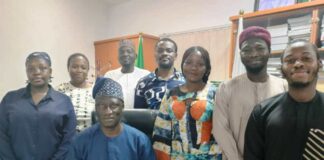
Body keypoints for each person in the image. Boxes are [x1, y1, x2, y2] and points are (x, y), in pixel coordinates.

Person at [212, 26, 288, 160]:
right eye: (246, 50)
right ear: (240, 54)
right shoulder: (226, 88)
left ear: (269, 51)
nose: (253, 54)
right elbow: (220, 130)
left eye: (259, 48)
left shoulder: (284, 86)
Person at [244, 39, 324, 160]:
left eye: (306, 58)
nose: (298, 64)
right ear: (282, 69)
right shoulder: (262, 112)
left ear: (319, 63)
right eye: (290, 60)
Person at [0, 52, 76, 160]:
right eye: (31, 69)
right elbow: (2, 136)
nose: (36, 72)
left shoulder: (64, 101)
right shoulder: (10, 99)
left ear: (50, 71)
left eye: (42, 68)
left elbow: (68, 140)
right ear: (26, 72)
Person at [153, 46, 222, 159]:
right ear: (182, 65)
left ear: (207, 68)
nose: (193, 68)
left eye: (200, 64)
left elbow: (221, 133)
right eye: (188, 62)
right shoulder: (171, 94)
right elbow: (161, 130)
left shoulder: (216, 93)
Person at [67, 77, 156, 160]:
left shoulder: (140, 141)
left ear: (122, 107)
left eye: (113, 105)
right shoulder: (80, 141)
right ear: (96, 108)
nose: (108, 111)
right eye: (102, 106)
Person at [134, 38, 185, 110]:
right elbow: (138, 116)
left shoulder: (186, 81)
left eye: (169, 51)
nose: (164, 53)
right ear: (155, 55)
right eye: (160, 51)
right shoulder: (143, 83)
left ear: (175, 55)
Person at [104, 39, 150, 109]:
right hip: (116, 117)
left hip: (140, 118)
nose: (125, 54)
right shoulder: (109, 76)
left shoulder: (146, 75)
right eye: (122, 52)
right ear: (118, 57)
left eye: (129, 51)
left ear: (136, 56)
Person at [57, 53, 95, 132]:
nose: (79, 70)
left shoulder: (96, 91)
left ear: (87, 70)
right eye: (74, 67)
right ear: (68, 68)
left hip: (90, 138)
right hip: (66, 139)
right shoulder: (59, 90)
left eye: (83, 67)